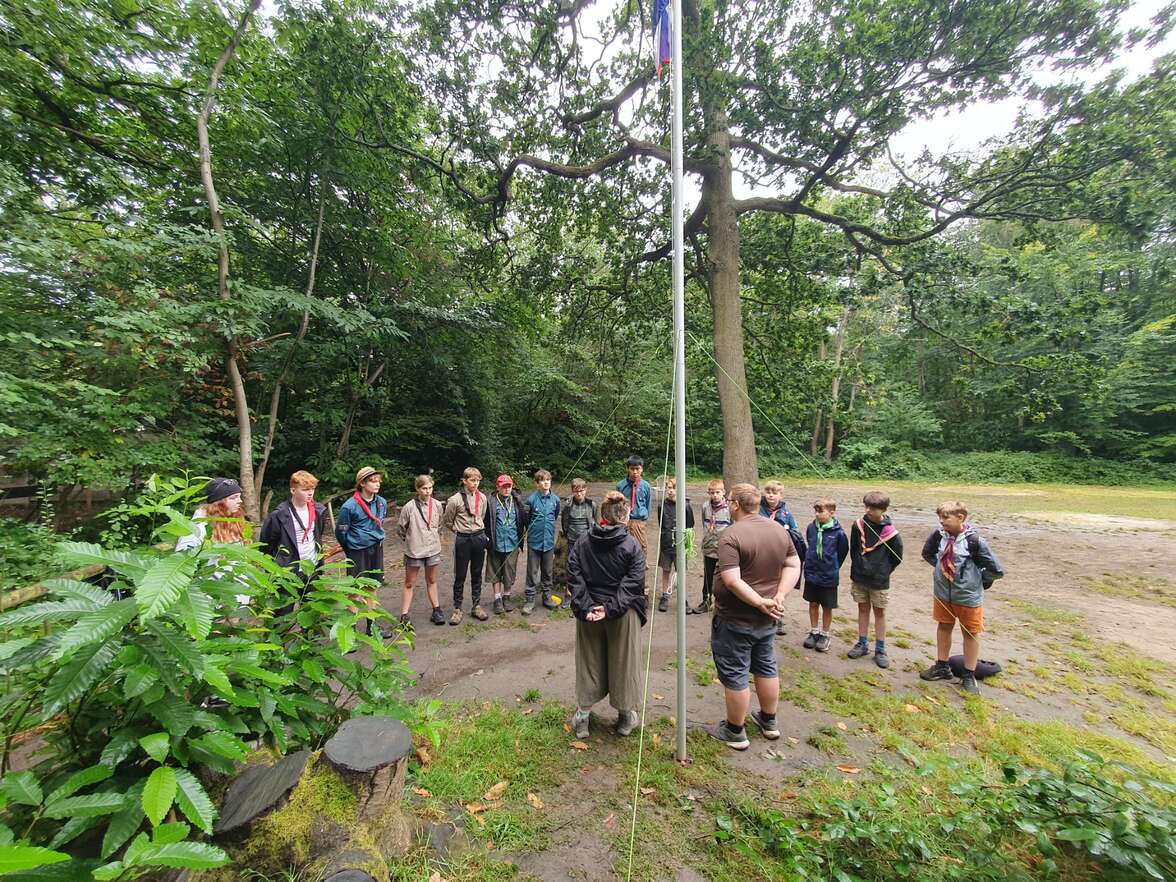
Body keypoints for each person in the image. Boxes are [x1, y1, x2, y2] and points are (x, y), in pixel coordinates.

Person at [710, 483, 801, 750]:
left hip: (736, 619)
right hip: (768, 617)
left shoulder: (731, 535)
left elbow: (731, 579)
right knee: (766, 666)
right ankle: (769, 721)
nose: (727, 503)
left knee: (736, 673)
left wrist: (765, 600)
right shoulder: (777, 529)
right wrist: (779, 596)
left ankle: (735, 731)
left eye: (729, 500)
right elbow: (794, 563)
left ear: (736, 504)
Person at [568, 490, 647, 739]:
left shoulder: (582, 541)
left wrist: (588, 605)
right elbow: (635, 582)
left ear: (602, 514)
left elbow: (574, 575)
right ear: (625, 517)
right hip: (620, 613)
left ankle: (583, 718)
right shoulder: (632, 544)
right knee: (624, 662)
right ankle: (625, 718)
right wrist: (609, 607)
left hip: (594, 611)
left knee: (589, 663)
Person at [919, 501, 1004, 695]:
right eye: (940, 517)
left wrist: (976, 580)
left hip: (968, 596)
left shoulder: (975, 541)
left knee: (970, 633)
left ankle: (969, 674)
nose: (942, 521)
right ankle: (942, 665)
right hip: (943, 593)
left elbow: (996, 570)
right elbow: (928, 554)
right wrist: (943, 572)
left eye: (946, 517)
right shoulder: (938, 536)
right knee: (944, 626)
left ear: (961, 518)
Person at [847, 491, 903, 668]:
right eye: (867, 507)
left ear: (884, 510)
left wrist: (883, 570)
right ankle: (862, 643)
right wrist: (859, 566)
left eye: (873, 508)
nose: (868, 511)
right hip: (860, 577)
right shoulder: (858, 526)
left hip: (879, 580)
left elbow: (897, 557)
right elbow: (854, 548)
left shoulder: (891, 533)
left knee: (879, 613)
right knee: (862, 608)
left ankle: (880, 648)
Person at [260, 470, 327, 612]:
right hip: (287, 570)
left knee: (311, 611)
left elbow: (317, 536)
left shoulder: (319, 510)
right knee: (282, 612)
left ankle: (310, 634)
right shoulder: (279, 515)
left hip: (311, 567)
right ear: (293, 490)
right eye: (305, 490)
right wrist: (276, 568)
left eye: (312, 489)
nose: (310, 493)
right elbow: (266, 545)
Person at [334, 466, 388, 633]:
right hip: (357, 551)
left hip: (376, 548)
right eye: (373, 481)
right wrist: (350, 548)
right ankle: (350, 632)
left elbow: (380, 522)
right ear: (362, 483)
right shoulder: (349, 507)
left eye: (378, 480)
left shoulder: (381, 502)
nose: (377, 484)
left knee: (372, 586)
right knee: (355, 590)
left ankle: (372, 627)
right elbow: (341, 532)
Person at [441, 467, 491, 624]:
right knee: (460, 575)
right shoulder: (455, 500)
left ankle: (476, 606)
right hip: (463, 539)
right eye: (472, 480)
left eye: (477, 481)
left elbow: (481, 516)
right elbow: (448, 520)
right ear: (464, 481)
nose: (475, 484)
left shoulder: (482, 497)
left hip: (478, 537)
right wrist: (458, 530)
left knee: (477, 573)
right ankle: (457, 608)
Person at [397, 474, 445, 627]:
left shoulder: (437, 505)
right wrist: (412, 539)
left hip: (433, 549)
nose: (428, 491)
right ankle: (404, 615)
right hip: (415, 550)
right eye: (424, 488)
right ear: (417, 489)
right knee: (409, 582)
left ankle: (436, 610)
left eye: (430, 488)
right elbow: (400, 529)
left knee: (432, 580)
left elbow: (440, 524)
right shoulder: (409, 507)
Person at [802, 498, 849, 653]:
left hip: (828, 575)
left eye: (820, 511)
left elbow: (842, 552)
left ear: (832, 512)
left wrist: (833, 566)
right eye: (815, 511)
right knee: (813, 603)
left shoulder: (839, 533)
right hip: (812, 573)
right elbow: (809, 544)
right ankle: (814, 631)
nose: (817, 514)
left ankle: (825, 634)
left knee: (827, 606)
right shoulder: (811, 527)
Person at [759, 480, 802, 636]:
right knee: (764, 585)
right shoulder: (759, 510)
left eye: (774, 493)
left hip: (780, 555)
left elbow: (796, 533)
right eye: (768, 492)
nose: (770, 495)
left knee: (779, 587)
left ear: (780, 495)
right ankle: (763, 615)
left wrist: (785, 531)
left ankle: (777, 618)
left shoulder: (786, 513)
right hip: (762, 554)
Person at [487, 474, 530, 615]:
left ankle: (507, 597)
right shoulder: (490, 501)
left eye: (509, 486)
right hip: (496, 543)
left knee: (509, 572)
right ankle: (497, 599)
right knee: (495, 572)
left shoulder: (517, 501)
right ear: (497, 487)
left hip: (512, 543)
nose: (506, 489)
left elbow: (525, 518)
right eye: (503, 486)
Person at [655, 477, 694, 613]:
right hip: (666, 543)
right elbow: (661, 524)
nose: (670, 491)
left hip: (681, 545)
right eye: (669, 488)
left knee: (680, 572)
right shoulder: (662, 506)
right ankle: (664, 596)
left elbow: (690, 524)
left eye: (673, 488)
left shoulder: (686, 505)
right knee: (666, 570)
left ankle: (682, 599)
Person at [524, 469, 560, 614]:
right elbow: (527, 519)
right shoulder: (531, 500)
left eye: (548, 480)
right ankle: (530, 600)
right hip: (534, 542)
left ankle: (547, 597)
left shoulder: (556, 500)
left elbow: (556, 515)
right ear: (537, 483)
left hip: (549, 542)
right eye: (542, 480)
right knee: (532, 571)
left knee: (547, 571)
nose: (546, 482)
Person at [691, 479, 730, 614]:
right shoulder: (705, 506)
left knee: (725, 576)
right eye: (712, 492)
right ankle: (706, 601)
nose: (715, 495)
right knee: (708, 576)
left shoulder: (728, 508)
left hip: (724, 549)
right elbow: (704, 523)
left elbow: (732, 527)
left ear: (723, 492)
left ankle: (724, 604)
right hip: (709, 547)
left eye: (717, 492)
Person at [556, 478, 597, 603]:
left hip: (587, 542)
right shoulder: (568, 506)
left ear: (586, 490)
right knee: (571, 567)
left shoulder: (592, 505)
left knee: (587, 567)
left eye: (582, 491)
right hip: (572, 542)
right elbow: (564, 524)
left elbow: (595, 522)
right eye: (576, 491)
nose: (579, 494)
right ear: (572, 491)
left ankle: (586, 594)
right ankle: (569, 594)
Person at [175, 478, 246, 551]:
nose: (240, 501)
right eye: (233, 498)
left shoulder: (231, 525)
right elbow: (183, 557)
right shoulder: (196, 530)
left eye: (239, 497)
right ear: (218, 503)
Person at [616, 455, 652, 571]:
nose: (635, 472)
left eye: (638, 469)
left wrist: (642, 521)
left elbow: (648, 505)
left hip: (638, 522)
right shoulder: (621, 486)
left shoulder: (646, 486)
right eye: (632, 469)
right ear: (628, 469)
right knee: (623, 549)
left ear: (642, 469)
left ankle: (642, 584)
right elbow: (616, 506)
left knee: (641, 548)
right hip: (623, 522)